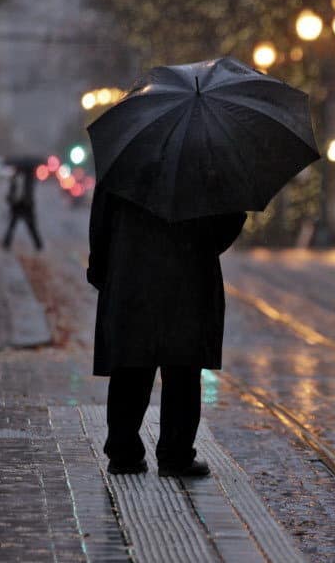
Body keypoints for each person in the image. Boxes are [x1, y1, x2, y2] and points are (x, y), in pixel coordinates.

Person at [87, 185, 246, 477]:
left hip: (132, 269)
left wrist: (101, 268)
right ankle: (176, 454)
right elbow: (230, 218)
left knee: (132, 363)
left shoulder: (125, 160)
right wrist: (203, 243)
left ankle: (124, 452)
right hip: (189, 272)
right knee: (183, 367)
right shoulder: (205, 162)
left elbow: (101, 221)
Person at [2, 165, 43, 250]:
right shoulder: (14, 177)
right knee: (12, 225)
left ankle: (38, 244)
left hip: (26, 205)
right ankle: (6, 243)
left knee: (31, 226)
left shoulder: (29, 178)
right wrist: (10, 198)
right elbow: (12, 190)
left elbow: (29, 191)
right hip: (16, 205)